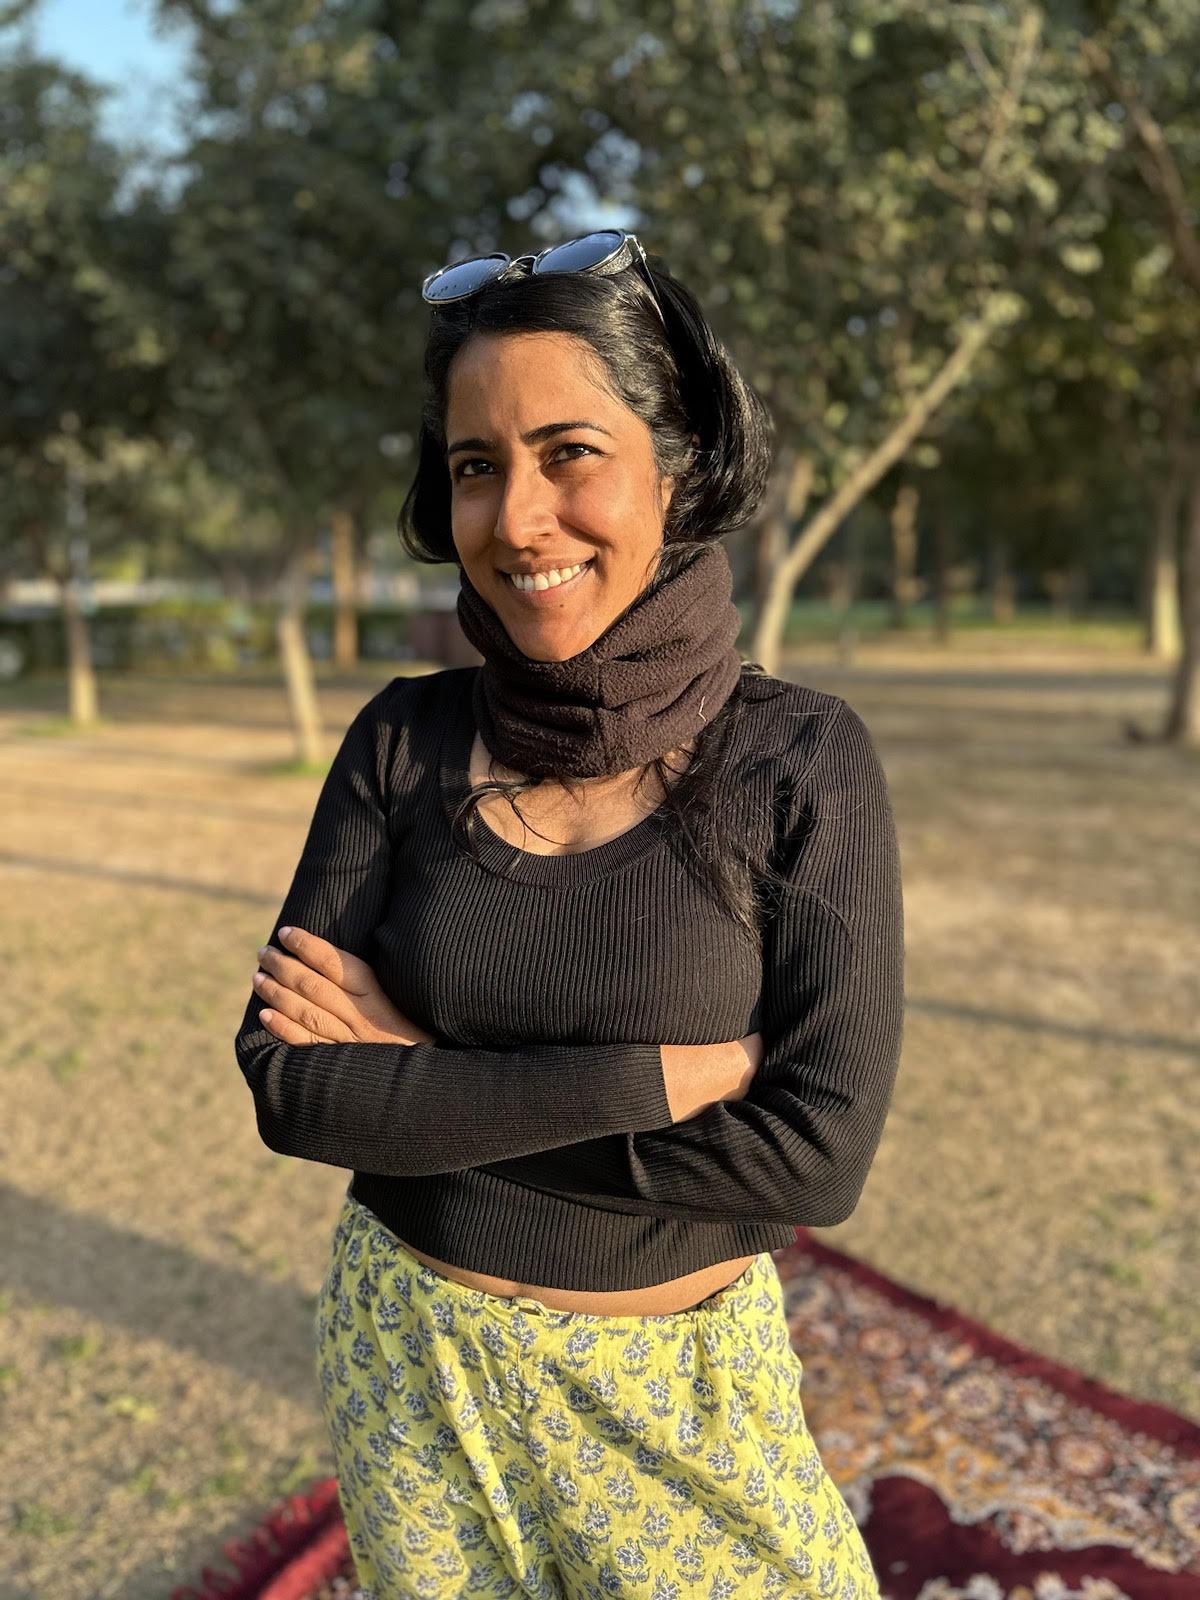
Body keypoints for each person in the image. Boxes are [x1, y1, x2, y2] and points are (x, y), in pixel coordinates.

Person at [234, 229, 904, 1599]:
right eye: (477, 467)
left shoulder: (803, 763)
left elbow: (813, 1160)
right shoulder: (403, 740)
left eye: (570, 453)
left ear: (679, 466)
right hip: (410, 1360)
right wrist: (650, 1082)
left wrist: (425, 1081)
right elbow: (294, 1090)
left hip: (677, 1401)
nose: (520, 519)